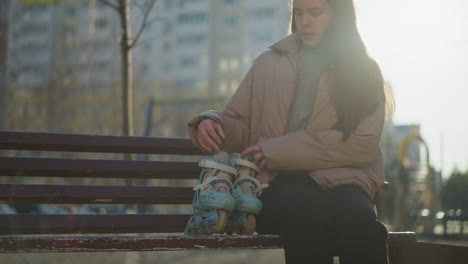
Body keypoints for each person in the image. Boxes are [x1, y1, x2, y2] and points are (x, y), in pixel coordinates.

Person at [187, 0, 394, 263]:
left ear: (339, 15)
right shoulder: (267, 63)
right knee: (307, 212)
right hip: (275, 184)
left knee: (361, 224)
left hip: (345, 183)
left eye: (315, 13)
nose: (304, 21)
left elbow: (361, 144)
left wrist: (277, 151)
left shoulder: (363, 71)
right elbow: (241, 125)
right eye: (299, 13)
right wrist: (214, 123)